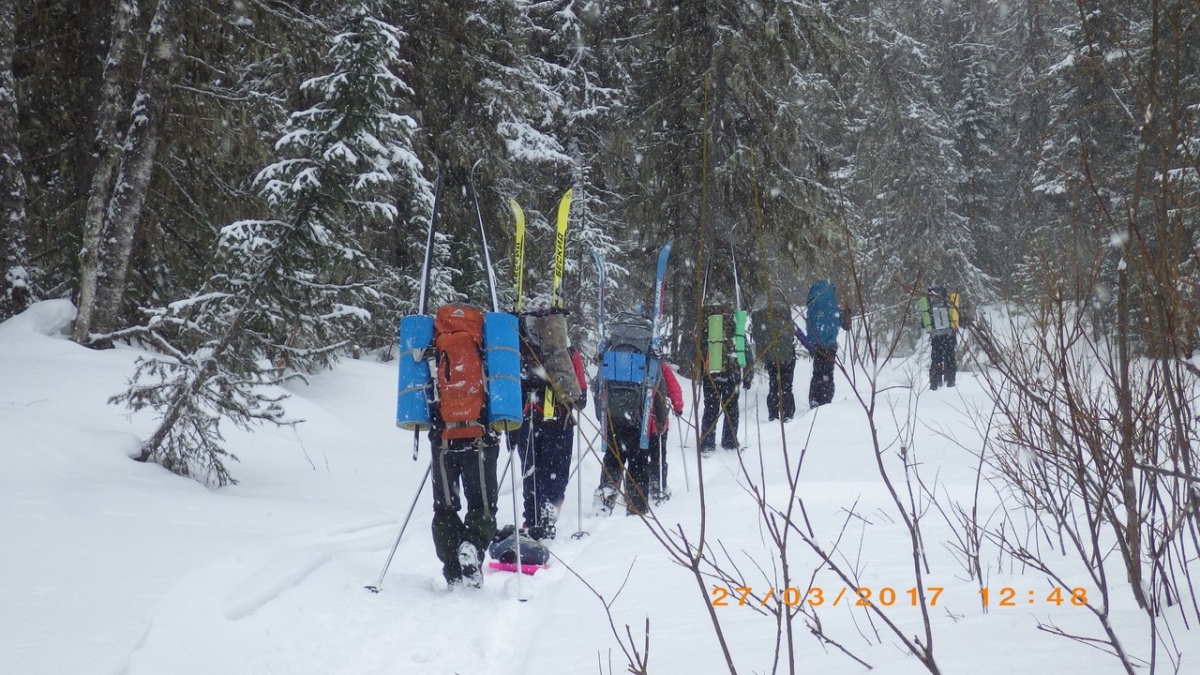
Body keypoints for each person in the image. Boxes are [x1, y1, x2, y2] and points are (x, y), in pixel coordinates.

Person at [591, 310, 684, 515]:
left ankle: (605, 498)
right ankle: (637, 506)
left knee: (613, 458)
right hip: (643, 422)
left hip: (614, 418)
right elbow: (665, 390)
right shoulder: (653, 361)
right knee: (638, 462)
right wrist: (668, 415)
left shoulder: (612, 356)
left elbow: (597, 386)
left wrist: (602, 415)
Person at [514, 310, 588, 540]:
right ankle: (548, 515)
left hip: (527, 421)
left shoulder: (520, 352)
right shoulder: (567, 353)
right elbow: (581, 398)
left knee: (531, 472)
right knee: (556, 473)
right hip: (559, 423)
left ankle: (531, 519)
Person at [699, 300, 753, 454]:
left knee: (710, 408)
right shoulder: (735, 324)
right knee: (731, 409)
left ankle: (707, 442)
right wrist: (748, 374)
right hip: (732, 374)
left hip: (711, 374)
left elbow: (696, 350)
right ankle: (729, 442)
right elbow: (745, 349)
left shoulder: (708, 326)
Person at [750, 290, 798, 422]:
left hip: (771, 355)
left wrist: (764, 356)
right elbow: (791, 333)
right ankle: (787, 413)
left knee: (774, 384)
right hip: (787, 354)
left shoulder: (760, 315)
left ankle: (773, 413)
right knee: (787, 385)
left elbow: (758, 338)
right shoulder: (783, 311)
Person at [799, 280, 843, 408]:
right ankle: (826, 400)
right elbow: (846, 325)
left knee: (817, 373)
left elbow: (809, 326)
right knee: (828, 374)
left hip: (816, 345)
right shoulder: (834, 308)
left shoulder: (813, 307)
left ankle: (814, 399)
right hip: (830, 345)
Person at [919, 285, 960, 389]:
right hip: (949, 336)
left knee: (936, 360)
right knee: (950, 359)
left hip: (936, 337)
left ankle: (935, 384)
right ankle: (950, 382)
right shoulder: (948, 303)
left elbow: (923, 324)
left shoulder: (929, 307)